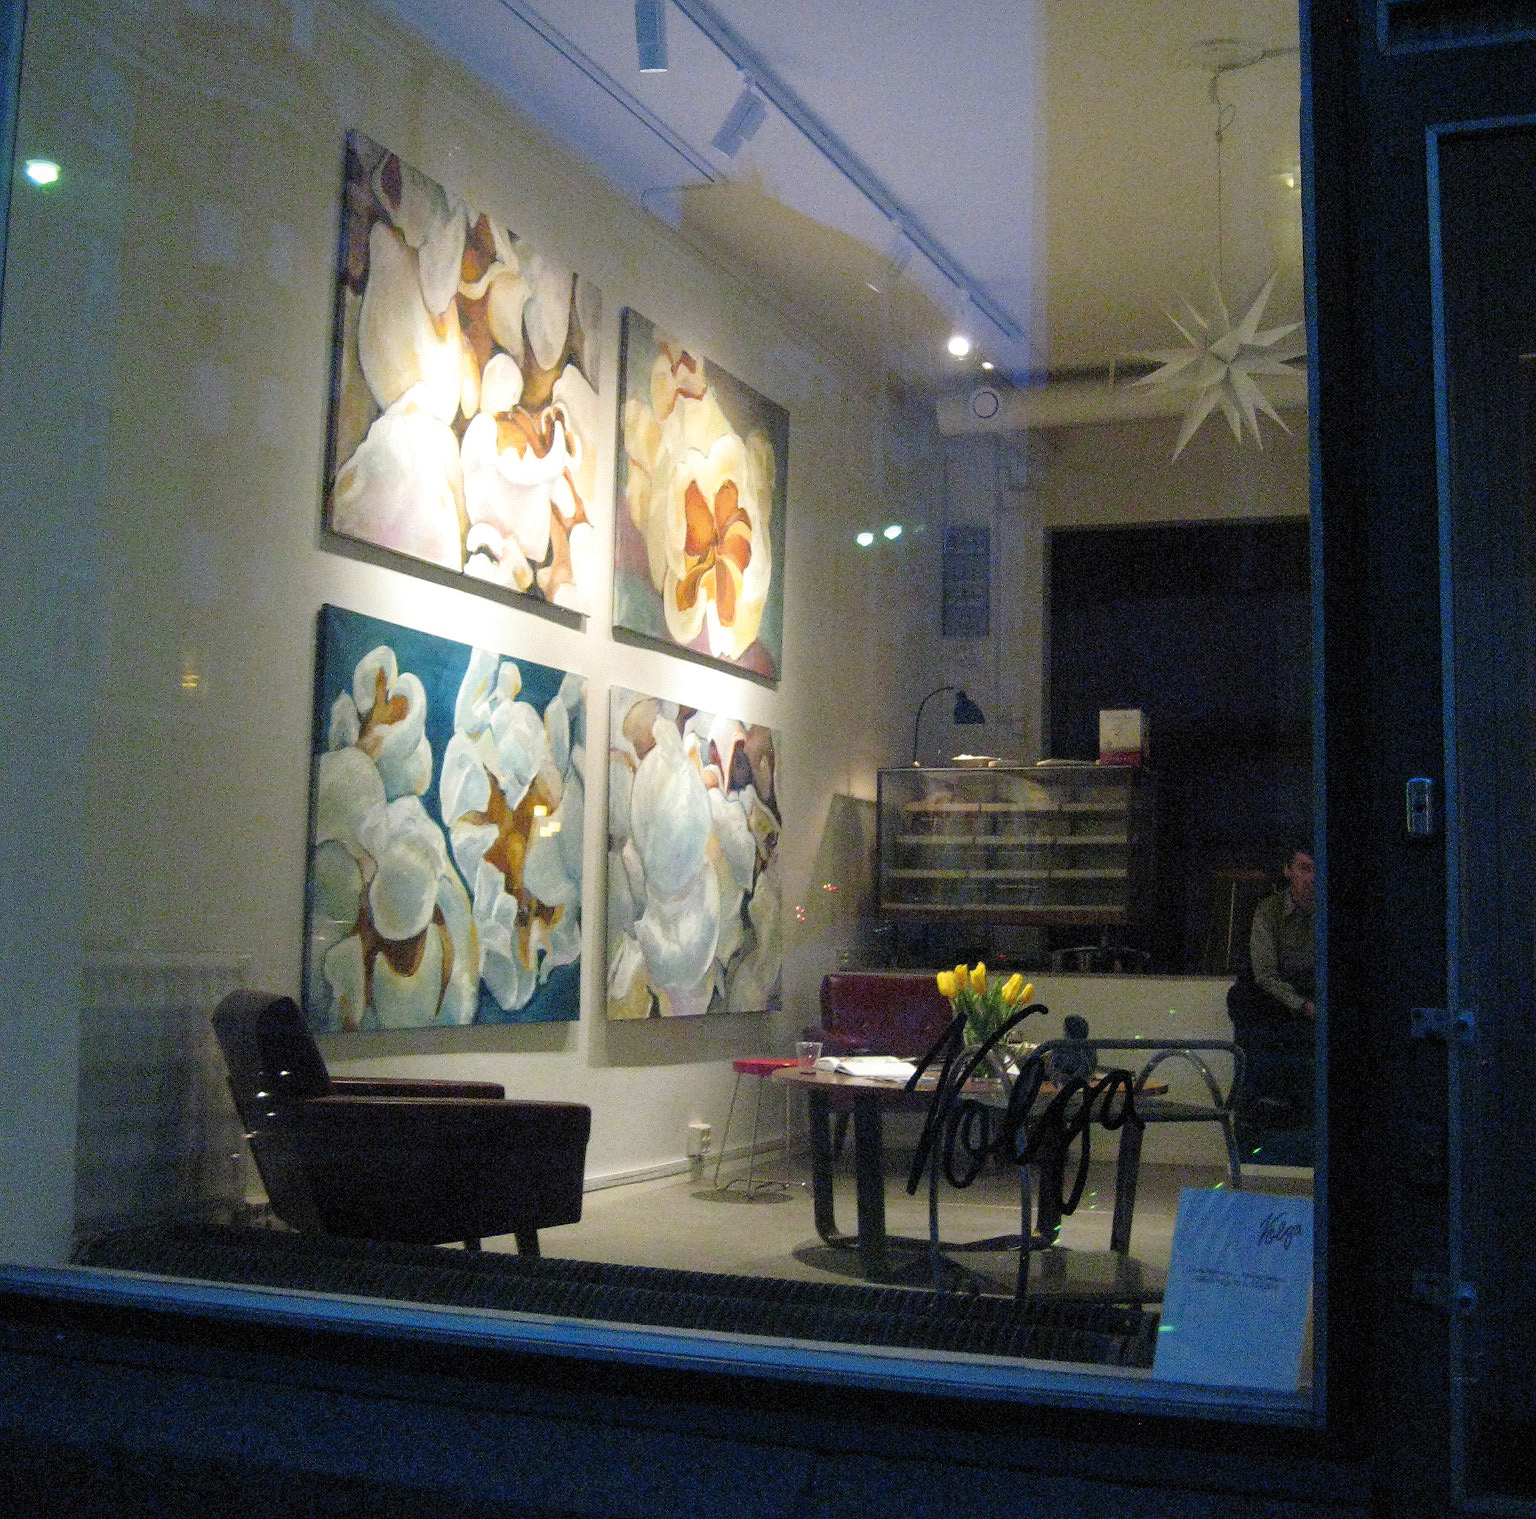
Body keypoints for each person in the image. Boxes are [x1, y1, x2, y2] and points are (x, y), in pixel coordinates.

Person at [1227, 837, 1317, 1140]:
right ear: (1288, 871)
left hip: (1313, 988)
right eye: (1304, 869)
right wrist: (1301, 1005)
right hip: (1279, 995)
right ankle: (1254, 1108)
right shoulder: (1269, 911)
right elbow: (1265, 975)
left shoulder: (1325, 910)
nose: (1311, 878)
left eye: (1316, 870)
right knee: (1243, 998)